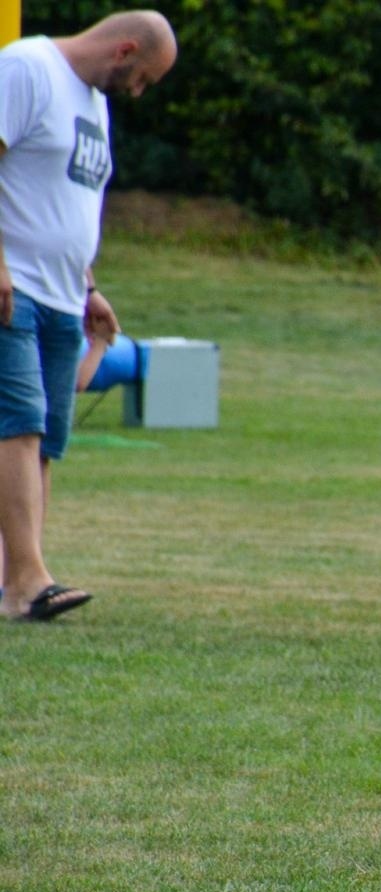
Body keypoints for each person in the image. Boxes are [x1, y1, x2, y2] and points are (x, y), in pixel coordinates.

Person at [0, 10, 177, 621]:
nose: (138, 92)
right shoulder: (27, 69)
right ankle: (28, 581)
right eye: (143, 78)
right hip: (11, 287)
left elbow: (67, 202)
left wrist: (88, 287)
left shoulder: (95, 104)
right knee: (17, 424)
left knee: (43, 437)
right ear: (124, 49)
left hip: (60, 296)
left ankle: (18, 581)